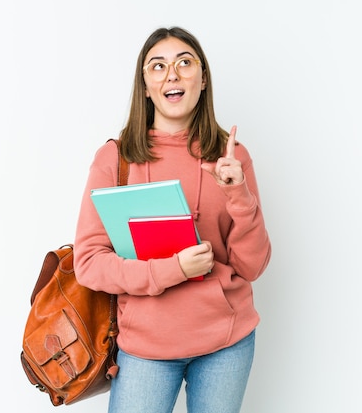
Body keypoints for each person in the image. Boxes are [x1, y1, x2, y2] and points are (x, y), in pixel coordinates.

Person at [74, 26, 271, 413]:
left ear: (202, 79)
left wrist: (238, 195)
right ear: (145, 86)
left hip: (226, 343)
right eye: (157, 66)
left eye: (184, 63)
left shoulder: (232, 157)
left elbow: (252, 266)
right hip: (145, 347)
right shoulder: (116, 159)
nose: (172, 74)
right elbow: (89, 263)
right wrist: (173, 269)